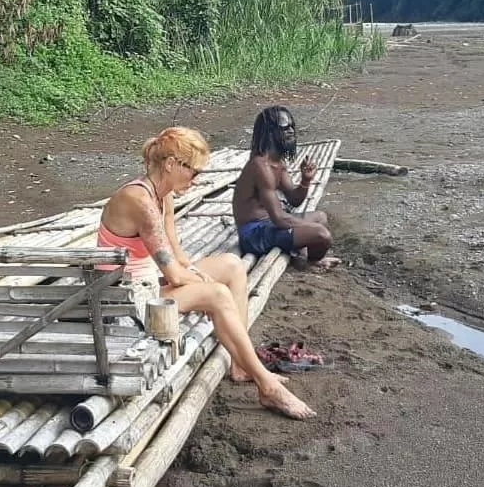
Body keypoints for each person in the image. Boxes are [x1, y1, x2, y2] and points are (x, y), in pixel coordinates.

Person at [97, 126, 315, 420]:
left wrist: (195, 273)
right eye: (193, 172)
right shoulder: (140, 201)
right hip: (124, 300)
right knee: (217, 294)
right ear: (171, 164)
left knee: (232, 265)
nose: (196, 179)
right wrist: (200, 282)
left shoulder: (165, 195)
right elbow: (174, 274)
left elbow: (178, 256)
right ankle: (267, 387)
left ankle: (240, 365)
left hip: (150, 281)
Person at [232, 106, 337, 268]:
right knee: (321, 234)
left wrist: (305, 180)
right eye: (284, 127)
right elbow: (279, 218)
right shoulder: (261, 166)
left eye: (292, 127)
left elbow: (294, 200)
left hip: (269, 224)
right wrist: (311, 228)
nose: (291, 131)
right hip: (253, 235)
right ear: (270, 132)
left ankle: (307, 256)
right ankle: (309, 263)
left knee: (321, 217)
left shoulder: (278, 164)